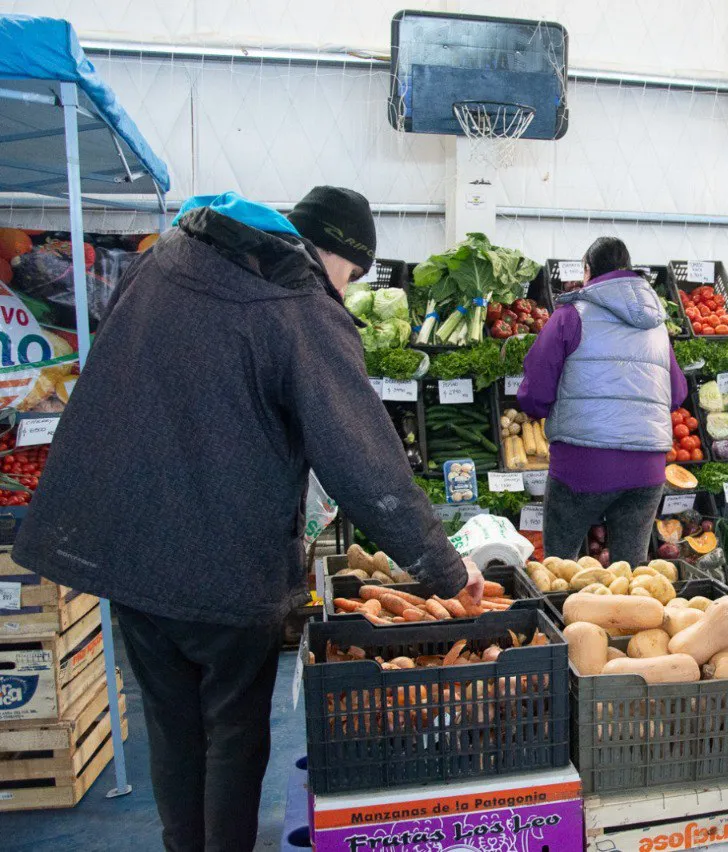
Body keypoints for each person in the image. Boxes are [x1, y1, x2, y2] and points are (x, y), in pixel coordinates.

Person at [11, 188, 481, 852]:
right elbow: (366, 464)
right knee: (233, 729)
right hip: (225, 563)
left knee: (174, 726)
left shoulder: (165, 260)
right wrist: (442, 570)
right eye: (350, 276)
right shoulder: (300, 305)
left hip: (125, 547)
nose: (343, 293)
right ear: (333, 254)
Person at [517, 237, 687, 567]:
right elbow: (677, 393)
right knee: (632, 572)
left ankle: (562, 616)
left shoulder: (570, 315)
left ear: (587, 270)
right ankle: (631, 618)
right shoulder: (656, 325)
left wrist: (538, 408)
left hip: (582, 465)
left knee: (560, 568)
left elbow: (536, 391)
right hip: (647, 469)